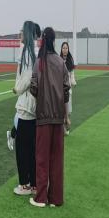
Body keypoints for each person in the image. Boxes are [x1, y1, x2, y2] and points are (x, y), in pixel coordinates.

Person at [30, 27, 70, 207]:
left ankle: (40, 198)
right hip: (58, 118)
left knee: (42, 159)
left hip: (43, 117)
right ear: (54, 41)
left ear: (43, 40)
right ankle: (56, 198)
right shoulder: (61, 63)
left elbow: (33, 87)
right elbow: (66, 90)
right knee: (56, 159)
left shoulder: (39, 62)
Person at [11, 21, 38, 196]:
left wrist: (17, 89)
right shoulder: (34, 52)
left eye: (22, 31)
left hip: (26, 105)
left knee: (22, 148)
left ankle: (25, 185)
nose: (20, 34)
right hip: (33, 105)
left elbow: (27, 77)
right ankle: (33, 183)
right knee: (32, 149)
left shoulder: (27, 52)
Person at [60, 42, 77, 135]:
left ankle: (66, 126)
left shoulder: (70, 60)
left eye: (66, 48)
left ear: (68, 49)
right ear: (61, 49)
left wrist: (73, 82)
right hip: (60, 89)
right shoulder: (58, 59)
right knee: (62, 110)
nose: (65, 50)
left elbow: (72, 74)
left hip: (68, 89)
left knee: (68, 110)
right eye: (63, 48)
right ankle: (63, 129)